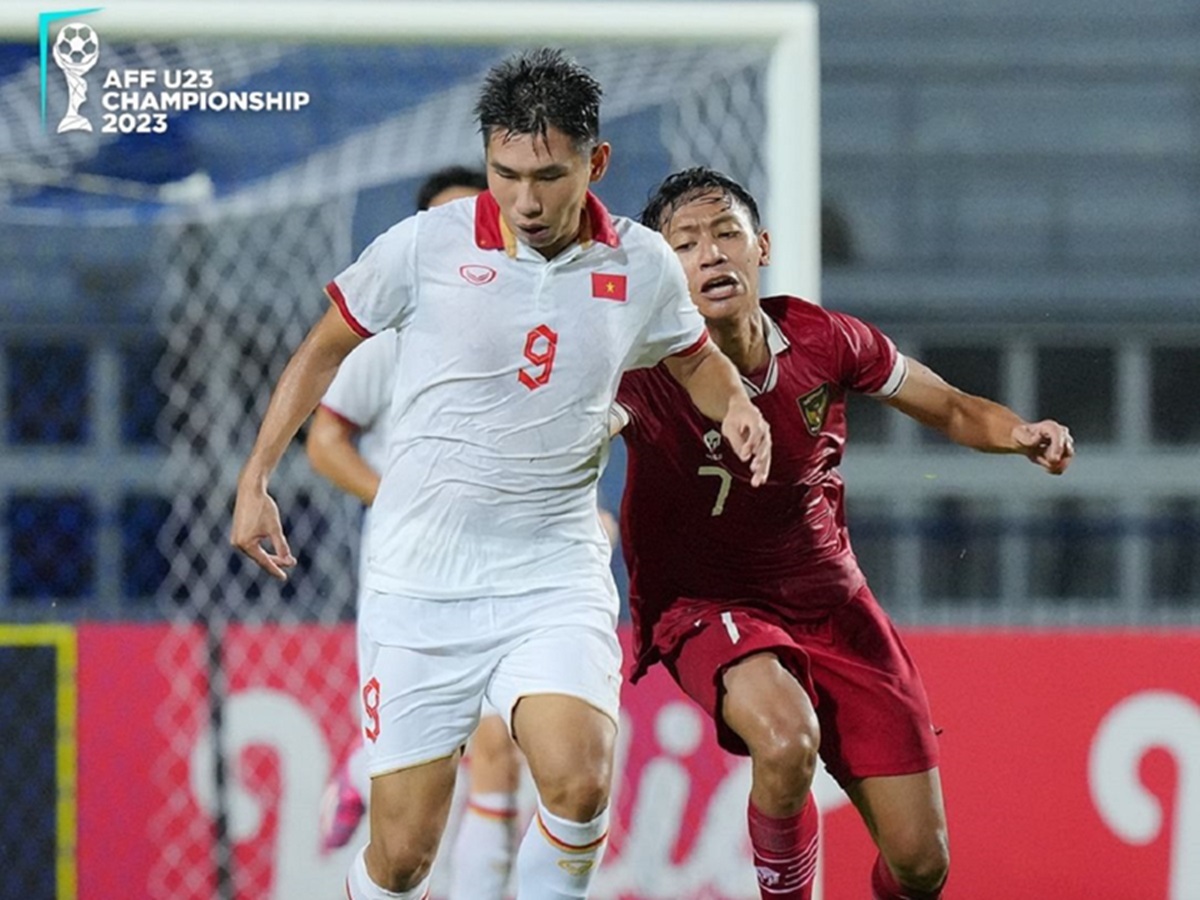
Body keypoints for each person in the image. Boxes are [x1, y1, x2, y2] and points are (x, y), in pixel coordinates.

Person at [231, 50, 771, 900]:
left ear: (595, 163)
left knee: (580, 781)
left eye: (548, 177)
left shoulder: (640, 264)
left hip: (551, 575)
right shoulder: (424, 246)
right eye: (505, 173)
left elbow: (694, 357)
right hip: (421, 586)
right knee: (402, 858)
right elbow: (324, 348)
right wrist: (256, 474)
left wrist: (734, 402)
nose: (525, 200)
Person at [612, 167, 1075, 900]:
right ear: (663, 271)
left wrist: (1019, 433)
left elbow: (949, 405)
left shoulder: (823, 339)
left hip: (834, 606)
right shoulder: (637, 367)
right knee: (786, 738)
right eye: (686, 244)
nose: (711, 254)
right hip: (707, 606)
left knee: (921, 865)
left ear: (762, 247)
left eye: (727, 233)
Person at [309, 165, 526, 899]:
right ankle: (360, 767)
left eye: (478, 221)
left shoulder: (535, 334)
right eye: (446, 225)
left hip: (504, 570)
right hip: (410, 574)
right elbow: (325, 440)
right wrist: (404, 499)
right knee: (415, 788)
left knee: (497, 750)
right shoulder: (387, 342)